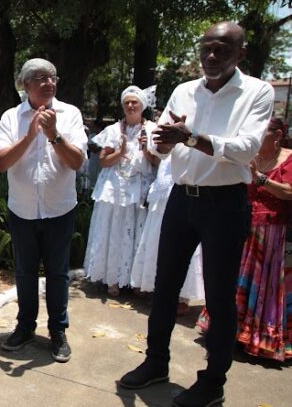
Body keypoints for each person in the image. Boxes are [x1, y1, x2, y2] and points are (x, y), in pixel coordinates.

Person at [119, 21, 274, 407]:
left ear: (241, 53)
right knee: (164, 286)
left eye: (222, 49)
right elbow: (166, 148)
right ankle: (156, 362)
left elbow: (245, 149)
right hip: (182, 198)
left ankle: (213, 381)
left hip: (225, 203)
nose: (211, 55)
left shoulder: (257, 91)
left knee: (219, 297)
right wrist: (162, 143)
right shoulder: (184, 91)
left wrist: (187, 137)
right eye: (206, 47)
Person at [0, 58, 88, 362]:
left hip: (59, 209)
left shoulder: (70, 114)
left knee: (58, 273)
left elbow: (77, 162)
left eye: (52, 77)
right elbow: (0, 163)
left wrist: (53, 135)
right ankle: (25, 327)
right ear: (25, 85)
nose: (49, 83)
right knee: (25, 272)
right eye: (40, 78)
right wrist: (30, 135)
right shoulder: (12, 117)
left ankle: (58, 331)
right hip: (22, 209)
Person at [198, 117, 292, 361]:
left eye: (264, 133)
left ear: (278, 135)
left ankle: (259, 337)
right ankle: (228, 331)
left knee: (263, 285)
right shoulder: (249, 155)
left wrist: (260, 178)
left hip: (270, 232)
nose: (258, 137)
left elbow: (289, 192)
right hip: (242, 224)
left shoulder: (289, 158)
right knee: (232, 280)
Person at [84, 86, 159, 296]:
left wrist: (146, 150)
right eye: (127, 102)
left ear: (142, 106)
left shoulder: (153, 130)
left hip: (139, 187)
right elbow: (104, 162)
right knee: (114, 229)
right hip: (114, 187)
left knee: (138, 231)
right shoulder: (113, 130)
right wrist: (121, 152)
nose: (130, 105)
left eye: (134, 102)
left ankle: (136, 281)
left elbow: (158, 163)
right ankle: (112, 279)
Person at [130, 155, 205, 310]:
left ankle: (182, 298)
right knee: (157, 242)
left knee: (181, 246)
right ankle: (156, 290)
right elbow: (159, 158)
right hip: (162, 189)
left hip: (182, 186)